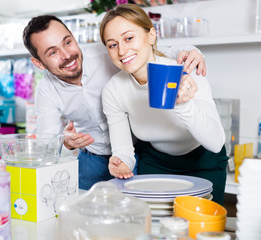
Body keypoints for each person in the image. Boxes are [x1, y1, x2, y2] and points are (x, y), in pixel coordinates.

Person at [22, 15, 207, 190]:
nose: (67, 55)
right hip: (91, 161)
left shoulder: (106, 53)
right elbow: (46, 144)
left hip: (138, 152)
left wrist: (191, 52)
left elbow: (155, 52)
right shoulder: (46, 91)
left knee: (138, 215)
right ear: (39, 63)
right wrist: (66, 142)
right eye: (53, 52)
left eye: (68, 42)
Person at [99, 4, 228, 204]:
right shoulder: (113, 90)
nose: (122, 50)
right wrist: (122, 162)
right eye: (112, 44)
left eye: (129, 38)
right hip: (155, 161)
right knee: (155, 228)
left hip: (204, 160)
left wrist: (183, 105)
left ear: (151, 36)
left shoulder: (185, 71)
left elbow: (215, 142)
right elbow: (123, 150)